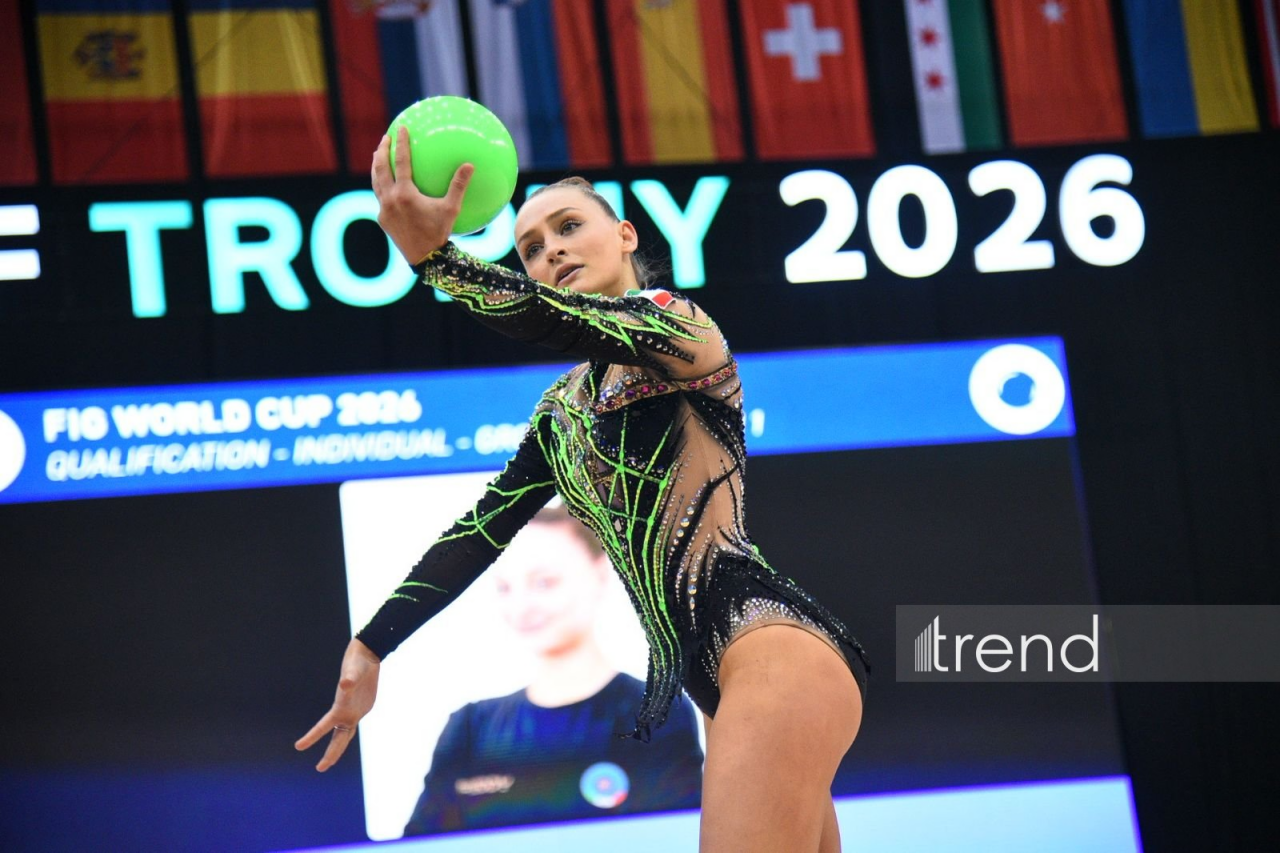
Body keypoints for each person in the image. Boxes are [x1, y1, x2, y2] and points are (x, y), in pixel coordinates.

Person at [298, 126, 872, 853]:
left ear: (625, 235)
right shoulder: (562, 411)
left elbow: (546, 319)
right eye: (532, 248)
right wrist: (370, 645)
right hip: (721, 685)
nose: (552, 251)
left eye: (569, 227)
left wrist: (436, 261)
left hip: (768, 651)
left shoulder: (681, 327)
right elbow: (481, 530)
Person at [403, 504, 703, 835]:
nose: (521, 606)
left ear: (601, 574)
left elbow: (677, 837)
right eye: (505, 588)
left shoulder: (654, 714)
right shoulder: (471, 729)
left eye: (544, 582)